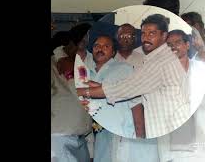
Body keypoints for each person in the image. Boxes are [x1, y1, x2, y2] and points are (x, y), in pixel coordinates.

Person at [77, 14, 190, 139]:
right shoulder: (157, 59)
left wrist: (80, 91)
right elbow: (125, 86)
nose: (146, 38)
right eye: (143, 33)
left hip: (173, 131)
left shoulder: (159, 62)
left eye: (152, 33)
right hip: (168, 129)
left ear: (164, 36)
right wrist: (90, 85)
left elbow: (125, 89)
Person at [80, 35, 159, 162]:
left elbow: (136, 103)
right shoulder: (86, 73)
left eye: (106, 46)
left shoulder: (123, 69)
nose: (100, 49)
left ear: (113, 52)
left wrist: (140, 137)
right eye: (97, 46)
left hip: (124, 133)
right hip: (100, 134)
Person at [159, 29, 205, 162]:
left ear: (187, 45)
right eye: (168, 44)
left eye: (177, 42)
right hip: (176, 151)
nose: (173, 46)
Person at [51, 30, 92, 162]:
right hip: (59, 137)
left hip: (80, 137)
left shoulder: (78, 66)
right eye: (75, 44)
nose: (78, 48)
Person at [114, 23, 146, 138]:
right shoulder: (109, 59)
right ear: (117, 37)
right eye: (122, 36)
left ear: (135, 38)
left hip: (140, 110)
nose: (125, 40)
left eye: (129, 36)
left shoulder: (143, 59)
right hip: (116, 111)